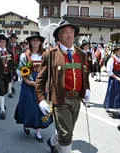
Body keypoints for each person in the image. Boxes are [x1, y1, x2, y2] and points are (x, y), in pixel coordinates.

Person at [36, 20, 90, 153]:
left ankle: (52, 141)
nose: (69, 35)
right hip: (60, 99)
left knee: (68, 128)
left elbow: (85, 73)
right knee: (66, 134)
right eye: (65, 32)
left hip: (76, 99)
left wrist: (87, 89)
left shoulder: (82, 55)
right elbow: (40, 80)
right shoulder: (51, 54)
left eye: (71, 32)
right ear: (58, 36)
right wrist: (41, 99)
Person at [14, 32, 52, 142]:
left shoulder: (46, 55)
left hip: (42, 84)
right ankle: (26, 124)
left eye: (37, 40)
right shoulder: (24, 55)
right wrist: (29, 82)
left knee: (40, 108)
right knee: (28, 106)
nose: (35, 42)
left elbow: (49, 71)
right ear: (30, 42)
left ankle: (38, 132)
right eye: (33, 40)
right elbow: (22, 71)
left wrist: (47, 84)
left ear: (40, 42)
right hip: (28, 84)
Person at [103, 44, 120, 119]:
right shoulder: (112, 59)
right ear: (116, 51)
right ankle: (108, 107)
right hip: (114, 79)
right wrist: (117, 78)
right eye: (119, 50)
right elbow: (109, 71)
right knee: (111, 93)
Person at [7, 33, 22, 98]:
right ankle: (9, 91)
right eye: (12, 39)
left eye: (14, 39)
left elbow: (20, 55)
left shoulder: (18, 47)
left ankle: (11, 86)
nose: (13, 40)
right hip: (10, 64)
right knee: (10, 77)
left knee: (15, 78)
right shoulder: (7, 46)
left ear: (16, 39)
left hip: (16, 64)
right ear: (10, 39)